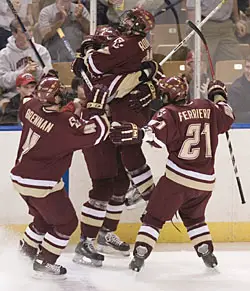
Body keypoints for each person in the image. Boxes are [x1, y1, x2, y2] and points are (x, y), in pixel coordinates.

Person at [110, 76, 235, 272]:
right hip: (205, 184)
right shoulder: (207, 106)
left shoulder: (169, 113)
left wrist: (140, 133)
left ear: (168, 96)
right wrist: (217, 94)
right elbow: (227, 116)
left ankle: (141, 253)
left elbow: (154, 135)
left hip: (177, 181)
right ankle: (206, 251)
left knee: (154, 217)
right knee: (195, 218)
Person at [70, 12, 162, 266]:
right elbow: (112, 86)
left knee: (120, 182)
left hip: (111, 127)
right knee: (103, 185)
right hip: (95, 129)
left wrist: (149, 79)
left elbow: (131, 71)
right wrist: (145, 76)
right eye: (107, 45)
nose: (113, 48)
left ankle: (105, 232)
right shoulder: (93, 75)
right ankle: (85, 242)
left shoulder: (107, 62)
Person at [11, 76, 110, 278]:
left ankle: (26, 252)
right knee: (66, 223)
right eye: (59, 92)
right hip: (41, 184)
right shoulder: (64, 125)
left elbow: (47, 117)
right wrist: (97, 110)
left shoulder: (30, 106)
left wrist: (72, 111)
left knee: (42, 219)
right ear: (55, 98)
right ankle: (45, 261)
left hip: (20, 178)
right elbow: (99, 133)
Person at [0, 18, 52, 100]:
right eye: (24, 32)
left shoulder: (41, 51)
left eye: (30, 31)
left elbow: (48, 76)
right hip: (14, 96)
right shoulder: (4, 54)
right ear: (14, 34)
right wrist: (23, 72)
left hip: (37, 95)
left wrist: (36, 71)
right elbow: (2, 81)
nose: (29, 35)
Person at [186, 0, 246, 66]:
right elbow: (191, 8)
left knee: (234, 63)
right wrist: (197, 36)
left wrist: (237, 20)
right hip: (205, 26)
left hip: (226, 26)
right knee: (203, 63)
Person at [228, 55, 250, 123]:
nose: (249, 71)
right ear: (244, 68)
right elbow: (234, 115)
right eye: (248, 67)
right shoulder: (236, 89)